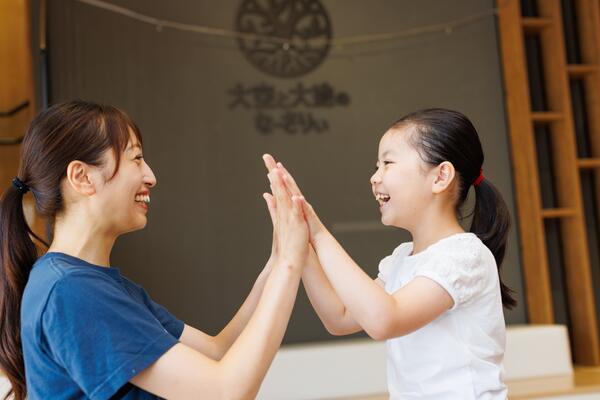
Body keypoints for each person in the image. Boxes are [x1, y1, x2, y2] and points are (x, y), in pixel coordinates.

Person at [0, 100, 309, 399]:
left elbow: (219, 351)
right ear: (82, 177)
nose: (151, 176)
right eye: (136, 159)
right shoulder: (71, 291)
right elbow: (225, 391)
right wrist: (290, 266)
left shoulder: (94, 285)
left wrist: (277, 261)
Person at [263, 108, 515, 399]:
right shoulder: (401, 258)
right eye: (376, 166)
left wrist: (318, 233)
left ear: (440, 176)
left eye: (388, 163)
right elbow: (340, 317)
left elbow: (384, 320)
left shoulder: (465, 256)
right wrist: (303, 242)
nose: (374, 178)